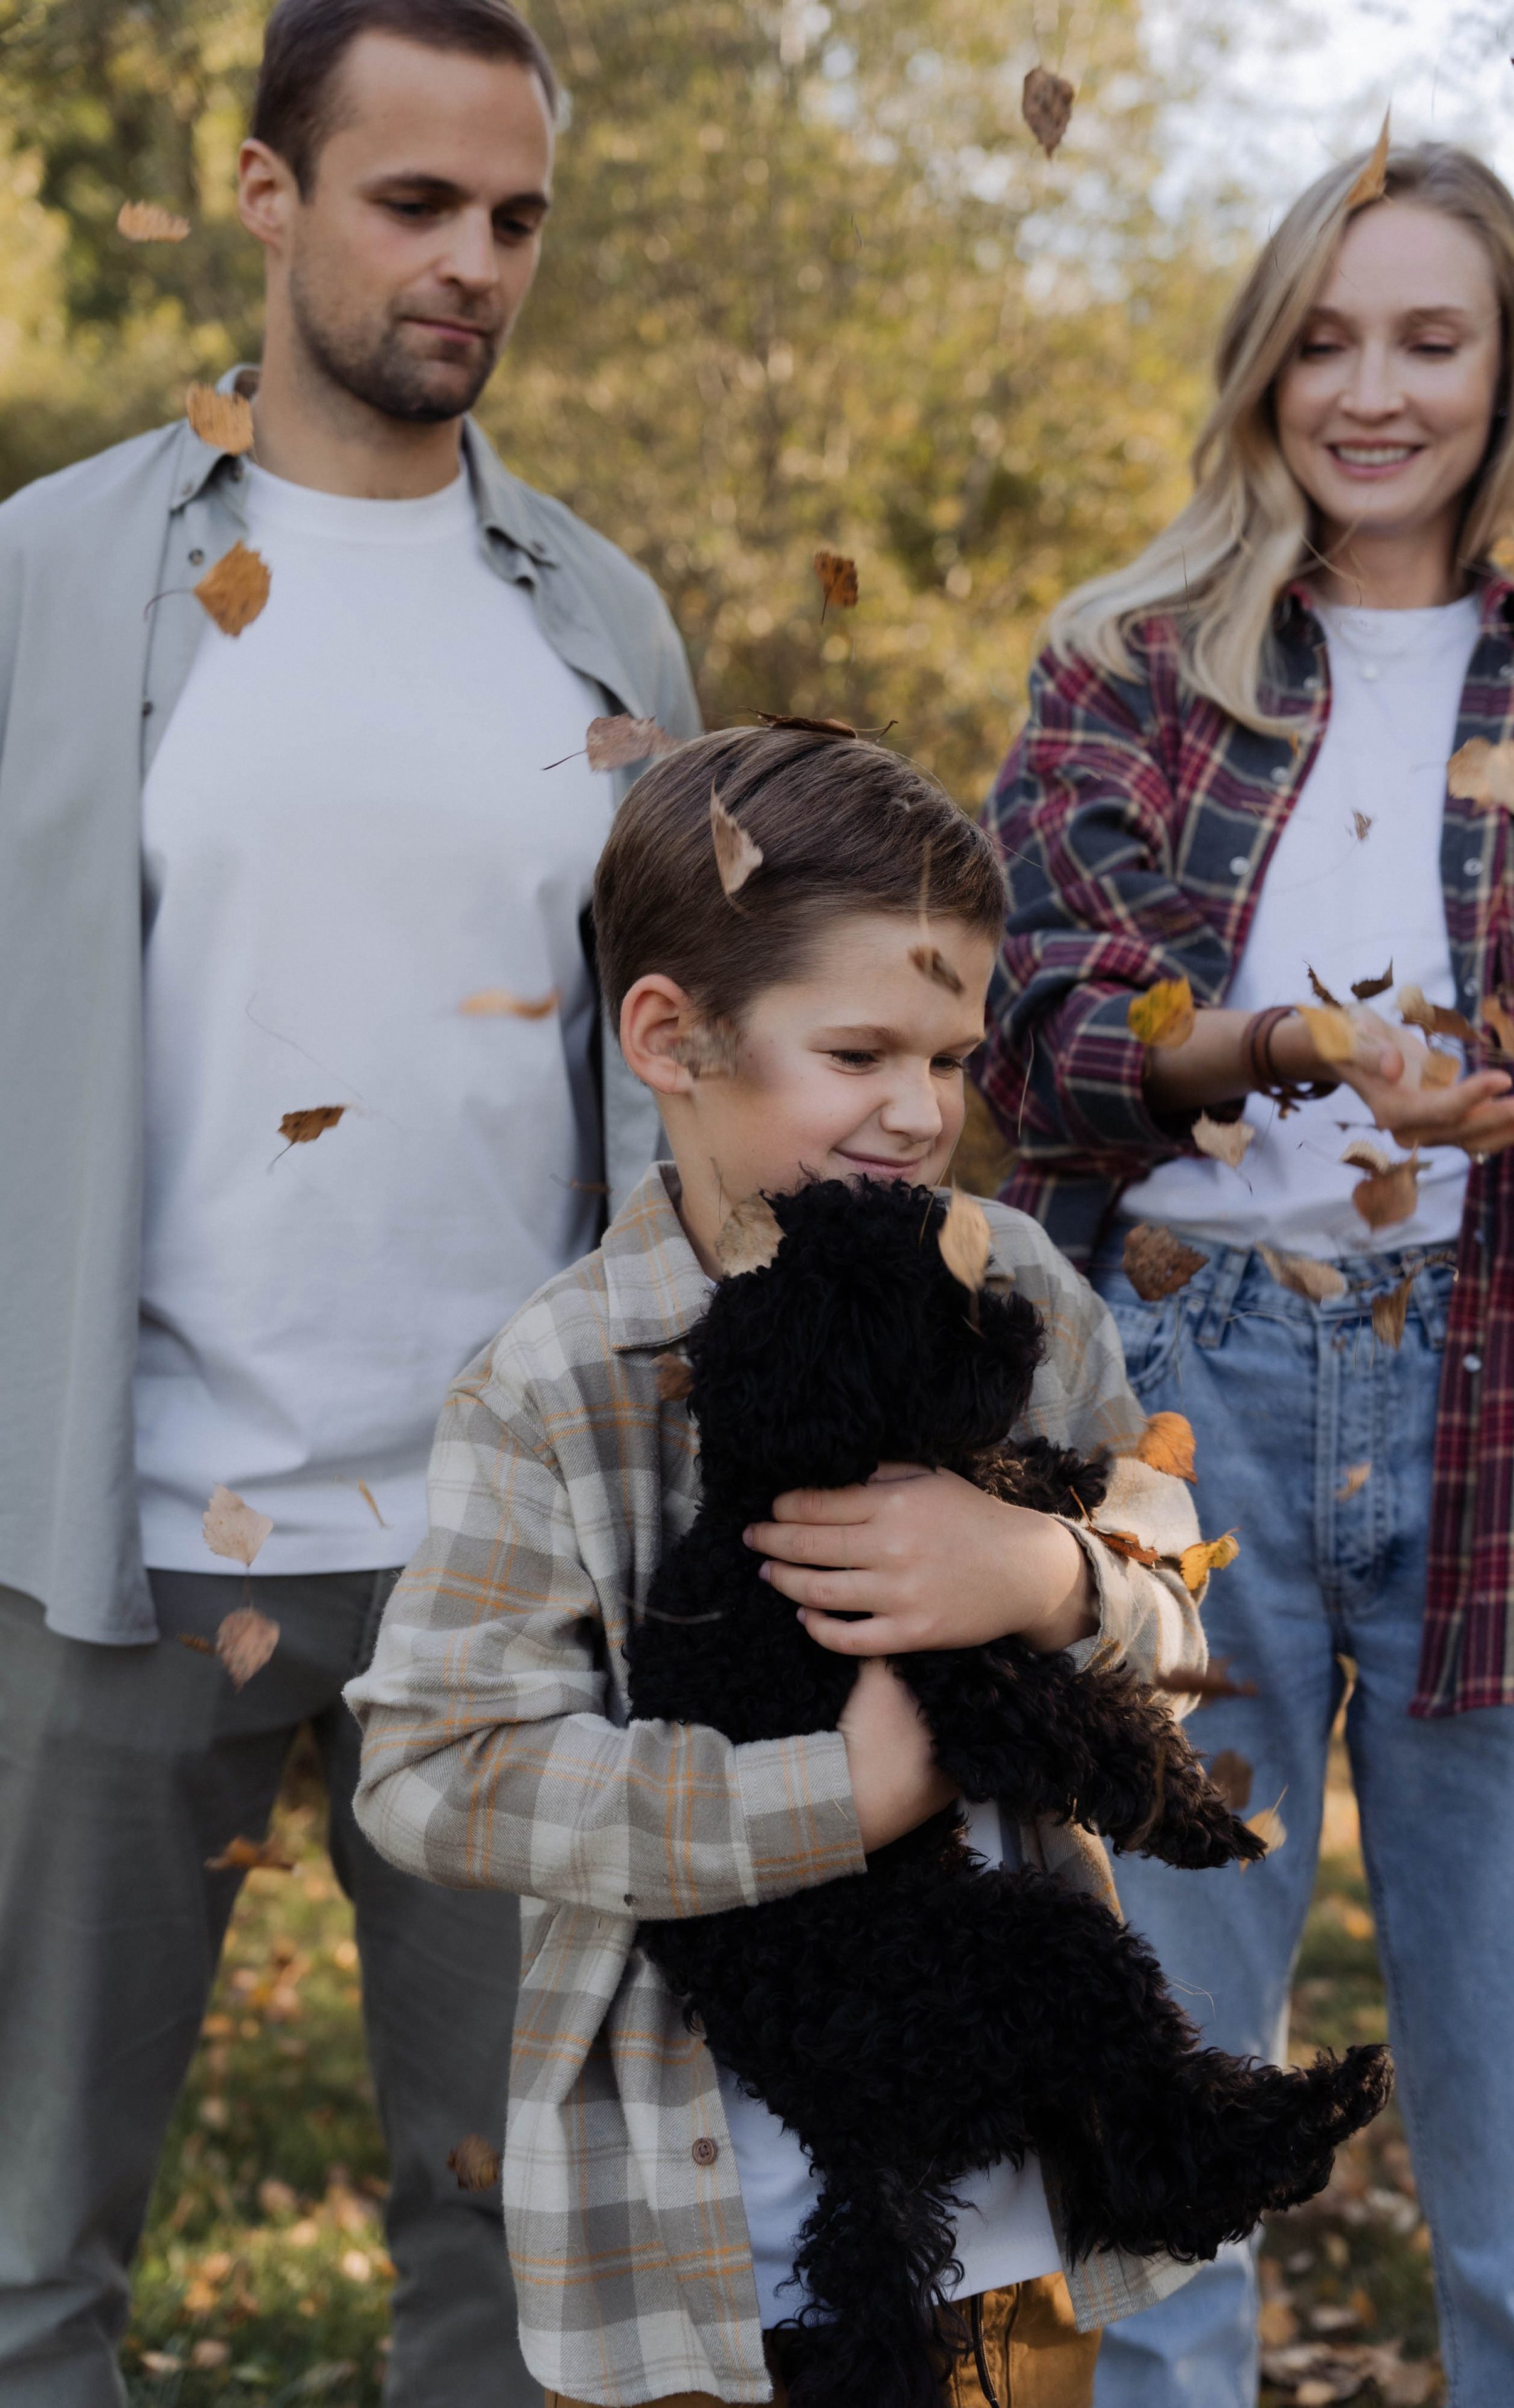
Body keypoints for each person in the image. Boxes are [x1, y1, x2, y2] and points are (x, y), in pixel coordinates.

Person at [0, 1, 699, 2400]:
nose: (472, 264)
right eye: (415, 203)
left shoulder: (599, 623)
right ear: (268, 192)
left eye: (514, 218)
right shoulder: (51, 582)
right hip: (108, 1546)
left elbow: (673, 1086)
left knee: (513, 2273)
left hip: (503, 1570)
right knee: (22, 2256)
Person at [346, 722, 1217, 2407]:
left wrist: (1046, 1576)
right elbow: (440, 1771)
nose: (918, 1111)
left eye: (953, 1058)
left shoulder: (1018, 1291)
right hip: (698, 2243)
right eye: (861, 1050)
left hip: (1012, 2208)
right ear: (674, 1036)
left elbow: (1174, 1600)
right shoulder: (559, 1380)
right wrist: (841, 1792)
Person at [973, 138, 1514, 2408]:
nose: (1370, 390)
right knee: (1144, 2130)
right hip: (1172, 1405)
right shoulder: (1131, 672)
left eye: (1428, 339)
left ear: (1505, 366)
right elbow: (1036, 1022)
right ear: (1264, 365)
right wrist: (1271, 1054)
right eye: (1326, 338)